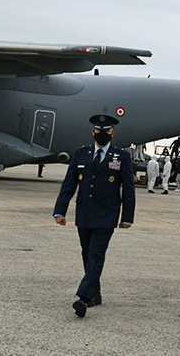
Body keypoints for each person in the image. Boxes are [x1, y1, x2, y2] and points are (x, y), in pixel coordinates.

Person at [52, 114, 135, 318]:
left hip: (107, 214)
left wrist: (127, 216)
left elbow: (129, 189)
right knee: (87, 254)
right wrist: (60, 210)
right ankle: (96, 293)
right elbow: (69, 184)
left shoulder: (120, 156)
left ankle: (84, 297)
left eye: (106, 131)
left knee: (96, 255)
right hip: (84, 212)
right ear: (92, 132)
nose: (102, 134)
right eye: (98, 130)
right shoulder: (82, 153)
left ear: (112, 133)